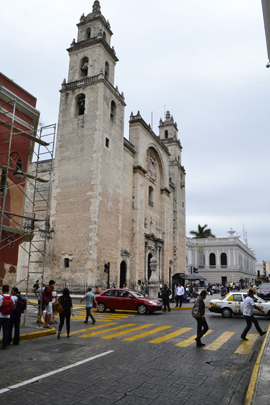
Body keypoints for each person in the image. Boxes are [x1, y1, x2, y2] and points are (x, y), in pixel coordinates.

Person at [0, 285, 18, 350]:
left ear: (2, 290)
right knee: (6, 331)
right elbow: (13, 306)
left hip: (0, 316)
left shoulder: (0, 297)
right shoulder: (13, 297)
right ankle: (4, 345)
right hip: (7, 316)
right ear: (8, 290)